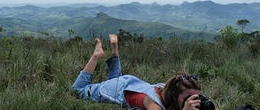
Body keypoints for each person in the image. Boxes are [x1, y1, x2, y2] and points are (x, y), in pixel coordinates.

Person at [72, 34, 206, 110]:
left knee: (115, 78)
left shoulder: (170, 89)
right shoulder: (154, 104)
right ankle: (96, 56)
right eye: (188, 98)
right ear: (174, 95)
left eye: (195, 97)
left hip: (130, 82)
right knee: (78, 90)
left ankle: (115, 50)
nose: (192, 100)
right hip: (119, 88)